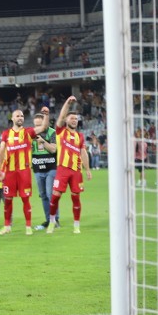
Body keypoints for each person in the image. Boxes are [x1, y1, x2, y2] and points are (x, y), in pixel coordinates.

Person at [0, 107, 49, 236]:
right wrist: (0, 169)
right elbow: (1, 152)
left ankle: (28, 226)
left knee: (25, 199)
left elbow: (44, 127)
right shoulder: (6, 134)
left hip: (24, 171)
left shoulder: (28, 132)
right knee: (8, 199)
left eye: (22, 116)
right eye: (17, 116)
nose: (20, 118)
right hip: (10, 172)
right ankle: (7, 226)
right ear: (12, 118)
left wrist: (46, 114)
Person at [46, 96, 93, 234]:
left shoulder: (80, 136)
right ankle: (52, 221)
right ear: (67, 120)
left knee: (76, 197)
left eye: (76, 119)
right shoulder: (60, 131)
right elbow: (61, 116)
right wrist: (67, 102)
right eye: (72, 118)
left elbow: (83, 152)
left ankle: (76, 225)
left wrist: (88, 169)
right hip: (62, 169)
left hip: (76, 171)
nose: (74, 120)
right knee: (55, 196)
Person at [31, 111, 59, 230]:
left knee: (50, 193)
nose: (37, 128)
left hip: (51, 168)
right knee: (43, 195)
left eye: (39, 125)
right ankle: (48, 220)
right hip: (37, 168)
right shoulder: (31, 134)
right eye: (36, 125)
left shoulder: (52, 132)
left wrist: (43, 141)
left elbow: (53, 149)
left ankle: (55, 219)